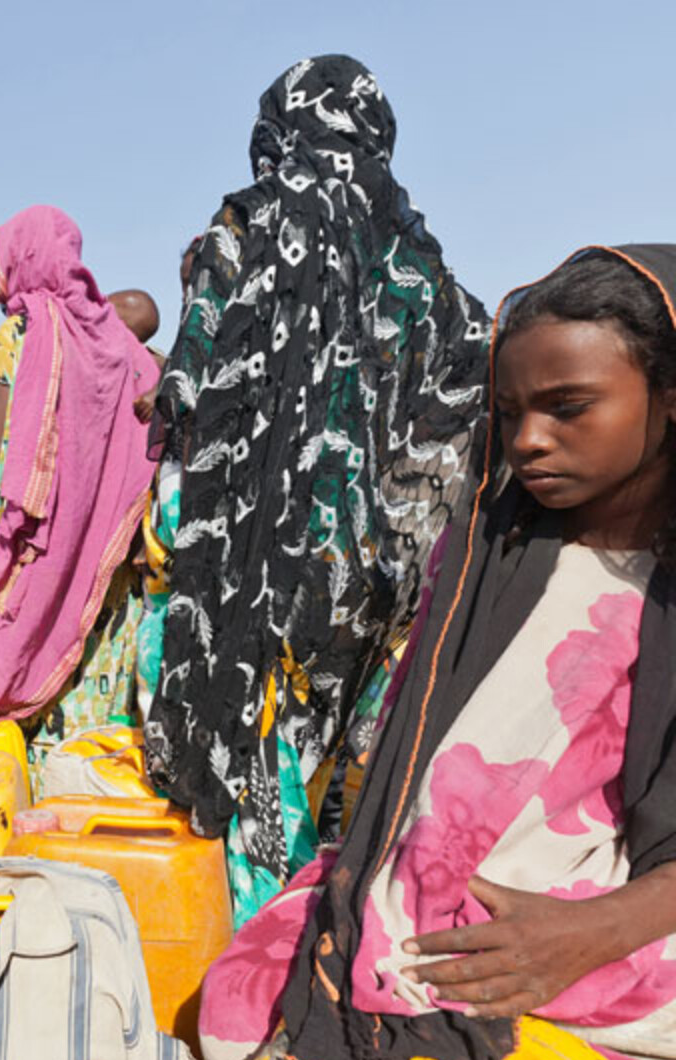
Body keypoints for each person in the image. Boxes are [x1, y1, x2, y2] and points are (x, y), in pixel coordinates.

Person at [201, 245, 676, 1060]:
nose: (529, 440)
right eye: (508, 416)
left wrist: (595, 930)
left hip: (629, 909)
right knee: (245, 990)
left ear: (669, 400)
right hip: (427, 892)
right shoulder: (494, 546)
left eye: (569, 407)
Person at [142, 56, 491, 924]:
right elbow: (467, 393)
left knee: (241, 754)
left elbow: (188, 395)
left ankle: (242, 955)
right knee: (324, 759)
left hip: (240, 564)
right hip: (364, 571)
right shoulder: (420, 260)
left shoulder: (246, 223)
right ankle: (316, 932)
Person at [0, 206, 159, 742]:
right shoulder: (112, 337)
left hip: (42, 534)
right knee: (97, 661)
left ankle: (33, 782)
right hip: (109, 536)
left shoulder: (23, 331)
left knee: (28, 652)